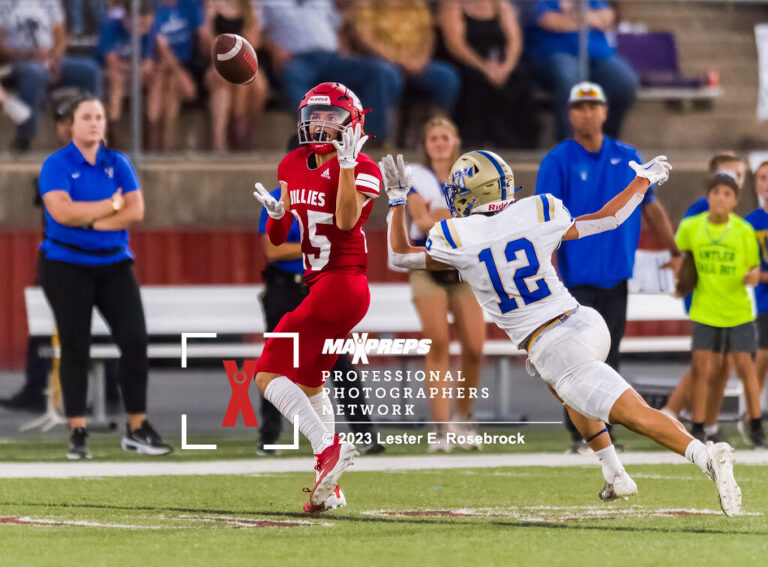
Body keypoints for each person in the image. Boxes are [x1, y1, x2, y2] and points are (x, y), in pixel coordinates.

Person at [385, 149, 742, 516]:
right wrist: (643, 181)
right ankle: (615, 473)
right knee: (566, 390)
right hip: (583, 321)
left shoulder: (457, 235)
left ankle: (706, 455)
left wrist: (397, 200)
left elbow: (398, 255)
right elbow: (608, 219)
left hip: (554, 343)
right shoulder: (537, 211)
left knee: (628, 412)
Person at [251, 82, 381, 514]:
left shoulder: (364, 166)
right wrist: (276, 215)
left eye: (332, 116)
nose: (322, 123)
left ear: (352, 122)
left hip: (341, 283)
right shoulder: (291, 162)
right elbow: (277, 235)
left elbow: (345, 221)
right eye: (316, 115)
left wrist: (346, 165)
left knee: (267, 374)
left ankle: (328, 447)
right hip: (324, 287)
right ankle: (330, 483)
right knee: (309, 385)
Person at [535, 81, 679, 452]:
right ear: (570, 114)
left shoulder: (627, 154)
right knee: (574, 360)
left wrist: (674, 252)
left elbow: (652, 206)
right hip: (574, 280)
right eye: (579, 107)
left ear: (604, 111)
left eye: (593, 106)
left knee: (609, 356)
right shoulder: (558, 160)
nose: (586, 112)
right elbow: (545, 220)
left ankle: (603, 436)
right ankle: (581, 435)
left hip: (616, 275)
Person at [37, 95, 171, 460]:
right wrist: (111, 206)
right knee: (76, 344)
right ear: (72, 125)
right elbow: (62, 213)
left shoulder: (119, 163)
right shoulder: (57, 164)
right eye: (86, 117)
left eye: (99, 116)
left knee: (135, 339)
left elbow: (137, 210)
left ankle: (137, 427)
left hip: (113, 262)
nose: (95, 123)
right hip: (65, 264)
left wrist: (93, 221)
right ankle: (77, 429)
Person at [257, 186, 384, 457]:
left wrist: (316, 243)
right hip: (287, 287)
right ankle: (270, 437)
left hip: (322, 286)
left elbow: (345, 229)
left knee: (328, 364)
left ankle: (351, 438)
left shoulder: (337, 189)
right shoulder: (278, 194)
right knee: (281, 364)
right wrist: (315, 242)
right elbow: (273, 249)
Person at [404, 116, 485, 451]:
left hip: (465, 267)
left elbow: (483, 219)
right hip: (428, 264)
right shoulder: (416, 176)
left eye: (445, 137)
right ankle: (440, 427)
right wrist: (454, 215)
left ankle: (463, 417)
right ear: (426, 145)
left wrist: (439, 212)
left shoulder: (473, 175)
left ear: (456, 141)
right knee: (437, 341)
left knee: (474, 347)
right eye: (433, 137)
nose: (439, 143)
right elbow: (422, 222)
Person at [674, 175, 766, 448]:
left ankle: (756, 426)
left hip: (737, 310)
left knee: (746, 369)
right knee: (702, 369)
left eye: (728, 193)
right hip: (705, 308)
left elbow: (753, 266)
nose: (721, 198)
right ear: (708, 196)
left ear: (735, 200)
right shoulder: (691, 227)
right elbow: (680, 254)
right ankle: (699, 427)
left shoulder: (743, 230)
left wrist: (753, 275)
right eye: (716, 192)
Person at [259, 0, 400, 144]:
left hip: (332, 58)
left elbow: (336, 29)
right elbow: (256, 32)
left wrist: (345, 51)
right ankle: (316, 138)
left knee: (382, 72)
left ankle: (374, 141)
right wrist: (273, 48)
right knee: (293, 76)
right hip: (297, 59)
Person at [0, 0, 103, 151]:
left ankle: (90, 135)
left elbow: (62, 36)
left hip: (50, 60)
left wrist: (55, 58)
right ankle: (25, 138)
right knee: (35, 72)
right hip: (16, 63)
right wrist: (24, 54)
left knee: (90, 70)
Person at [527, 0, 638, 141]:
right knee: (572, 81)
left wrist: (572, 16)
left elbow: (608, 18)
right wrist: (589, 19)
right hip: (557, 53)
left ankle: (604, 141)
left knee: (623, 81)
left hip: (599, 55)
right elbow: (549, 20)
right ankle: (571, 145)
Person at [438, 0, 538, 148]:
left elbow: (515, 40)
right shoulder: (453, 5)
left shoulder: (501, 5)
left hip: (499, 62)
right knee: (476, 80)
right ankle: (473, 139)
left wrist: (507, 67)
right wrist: (484, 67)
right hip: (468, 61)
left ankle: (516, 142)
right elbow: (455, 45)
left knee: (518, 77)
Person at [344, 0, 459, 121]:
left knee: (446, 76)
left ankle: (435, 131)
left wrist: (421, 61)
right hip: (382, 62)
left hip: (415, 64)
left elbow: (428, 36)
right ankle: (380, 136)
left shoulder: (417, 4)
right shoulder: (365, 4)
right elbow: (366, 40)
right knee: (387, 75)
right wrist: (401, 61)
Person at [198, 0, 268, 152]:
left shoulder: (249, 7)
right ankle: (219, 141)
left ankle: (244, 134)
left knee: (259, 85)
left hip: (246, 60)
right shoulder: (211, 5)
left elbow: (254, 43)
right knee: (222, 78)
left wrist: (237, 59)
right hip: (216, 61)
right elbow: (205, 41)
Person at [97, 0, 158, 148]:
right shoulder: (111, 26)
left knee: (157, 79)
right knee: (116, 78)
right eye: (141, 22)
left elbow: (148, 64)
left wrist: (135, 70)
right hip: (106, 73)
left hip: (134, 74)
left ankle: (150, 136)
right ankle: (113, 136)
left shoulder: (149, 30)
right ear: (127, 18)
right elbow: (111, 61)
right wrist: (134, 69)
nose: (144, 27)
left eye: (147, 22)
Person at [150, 0, 205, 150]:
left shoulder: (190, 5)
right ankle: (161, 141)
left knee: (172, 83)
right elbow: (160, 45)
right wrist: (179, 73)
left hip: (186, 64)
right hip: (158, 64)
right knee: (164, 79)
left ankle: (161, 142)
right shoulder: (153, 7)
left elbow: (203, 34)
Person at [748, 161, 768, 402]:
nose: (767, 183)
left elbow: (757, 274)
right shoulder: (749, 223)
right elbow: (746, 270)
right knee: (762, 357)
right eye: (762, 178)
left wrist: (761, 276)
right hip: (763, 303)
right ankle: (751, 412)